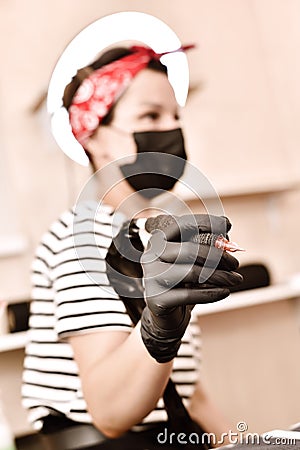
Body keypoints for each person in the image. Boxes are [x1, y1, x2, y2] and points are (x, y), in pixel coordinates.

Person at [21, 42, 242, 449]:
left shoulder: (149, 236)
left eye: (176, 116)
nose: (171, 129)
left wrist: (238, 443)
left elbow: (183, 388)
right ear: (93, 136)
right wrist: (158, 331)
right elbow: (110, 414)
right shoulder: (84, 236)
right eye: (150, 116)